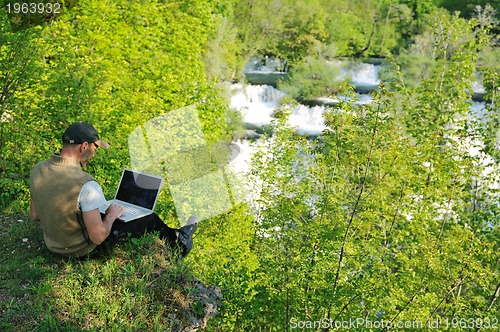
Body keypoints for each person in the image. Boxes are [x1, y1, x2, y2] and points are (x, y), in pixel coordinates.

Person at [29, 121, 197, 259]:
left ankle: (178, 236)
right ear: (84, 146)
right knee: (148, 218)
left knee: (105, 211)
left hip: (53, 246)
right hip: (79, 251)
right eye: (95, 148)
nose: (94, 154)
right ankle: (180, 243)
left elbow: (35, 215)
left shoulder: (38, 170)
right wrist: (110, 216)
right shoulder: (85, 184)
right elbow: (98, 237)